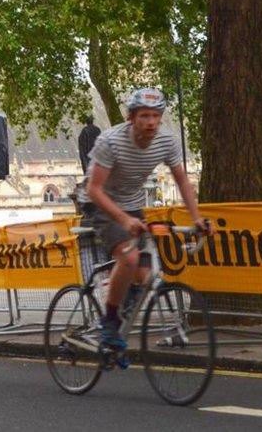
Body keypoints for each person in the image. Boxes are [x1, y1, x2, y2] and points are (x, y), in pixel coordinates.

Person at [78, 88, 213, 350]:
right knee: (128, 258)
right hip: (99, 203)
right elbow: (94, 190)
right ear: (131, 117)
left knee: (146, 275)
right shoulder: (111, 141)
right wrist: (123, 220)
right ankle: (109, 320)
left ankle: (123, 298)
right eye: (144, 116)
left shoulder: (166, 141)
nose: (151, 122)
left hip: (132, 204)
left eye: (156, 116)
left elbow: (182, 180)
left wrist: (197, 219)